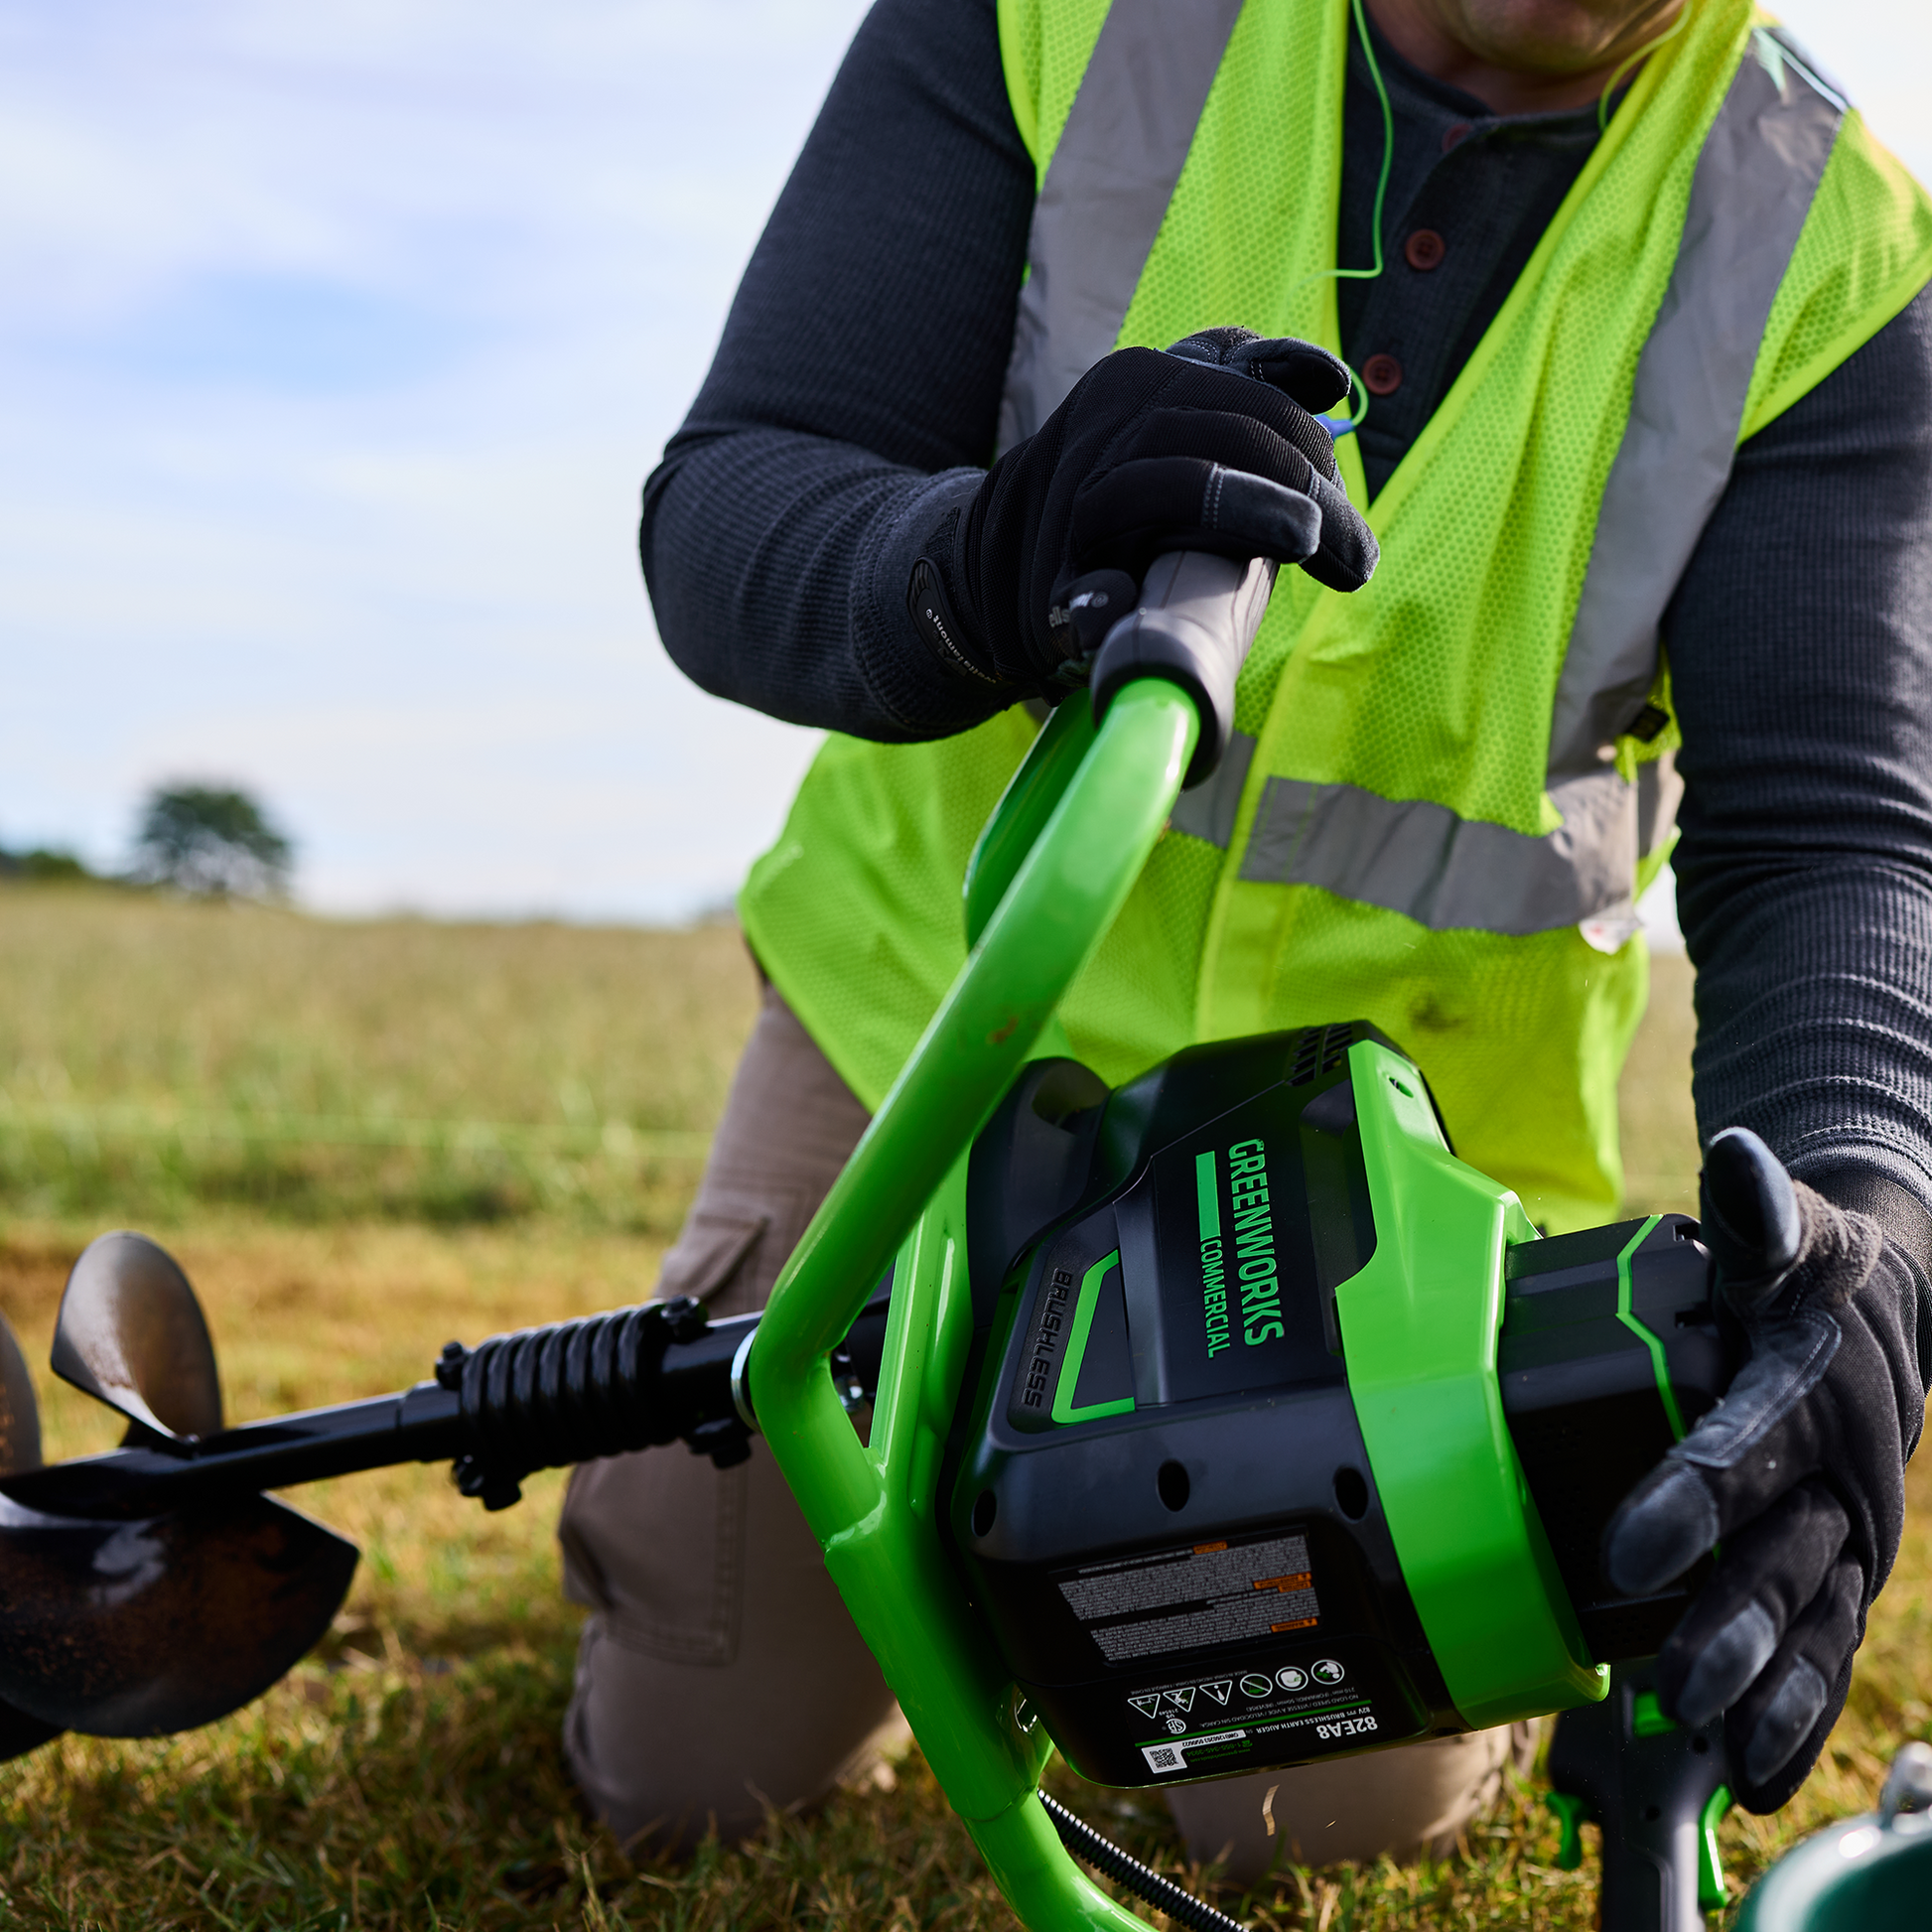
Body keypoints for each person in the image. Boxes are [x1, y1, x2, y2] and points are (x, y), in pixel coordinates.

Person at [556, 0, 1932, 1881]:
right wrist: (980, 562)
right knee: (692, 1778)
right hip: (931, 1074)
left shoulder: (1823, 243)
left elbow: (1829, 830)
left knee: (1314, 1813)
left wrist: (1871, 1231)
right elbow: (736, 504)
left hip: (1392, 1211)